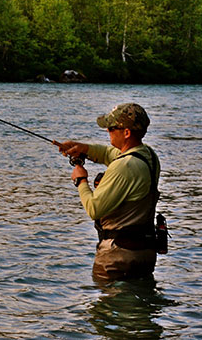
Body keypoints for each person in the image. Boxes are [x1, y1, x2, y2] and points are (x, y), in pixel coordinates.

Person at [57, 103, 162, 282]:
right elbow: (109, 153)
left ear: (126, 133)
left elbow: (94, 208)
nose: (107, 131)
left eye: (111, 128)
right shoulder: (148, 156)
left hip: (117, 259)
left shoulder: (124, 166)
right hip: (144, 254)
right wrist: (84, 149)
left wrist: (81, 180)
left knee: (106, 308)